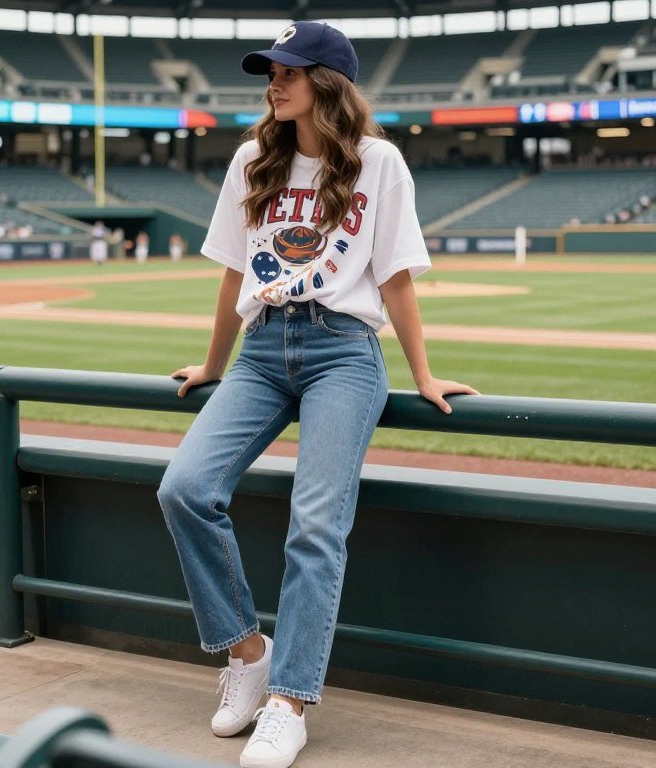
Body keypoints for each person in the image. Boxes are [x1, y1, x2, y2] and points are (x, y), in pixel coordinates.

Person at [155, 21, 478, 768]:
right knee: (184, 488)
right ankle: (248, 653)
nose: (273, 81)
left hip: (344, 353)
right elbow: (234, 274)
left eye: (288, 71)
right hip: (263, 349)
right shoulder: (251, 158)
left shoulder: (379, 162)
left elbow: (394, 275)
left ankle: (289, 702)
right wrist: (213, 364)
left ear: (326, 81)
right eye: (269, 70)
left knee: (315, 524)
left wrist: (423, 374)